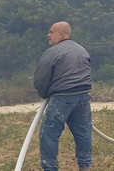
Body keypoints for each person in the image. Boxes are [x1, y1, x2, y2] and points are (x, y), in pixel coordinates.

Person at [34, 21, 92, 171]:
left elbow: (41, 78)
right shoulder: (82, 50)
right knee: (83, 133)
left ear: (61, 34)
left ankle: (50, 168)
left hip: (62, 98)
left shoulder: (53, 52)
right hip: (83, 98)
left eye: (51, 31)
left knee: (49, 134)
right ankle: (85, 166)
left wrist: (44, 94)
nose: (48, 34)